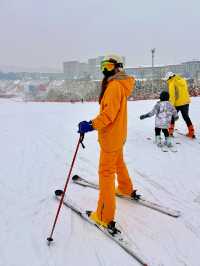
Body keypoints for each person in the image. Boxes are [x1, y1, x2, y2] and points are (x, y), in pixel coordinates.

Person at [78, 54, 138, 229]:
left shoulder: (113, 87)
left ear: (117, 67)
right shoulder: (119, 85)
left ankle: (104, 215)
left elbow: (108, 115)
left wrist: (90, 125)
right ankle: (126, 188)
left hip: (111, 137)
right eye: (103, 65)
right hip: (118, 135)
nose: (105, 69)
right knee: (118, 162)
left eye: (109, 66)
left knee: (106, 173)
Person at [165, 72, 195, 138]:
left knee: (172, 117)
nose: (167, 81)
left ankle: (170, 132)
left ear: (169, 78)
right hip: (186, 102)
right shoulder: (183, 80)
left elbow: (172, 96)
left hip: (177, 103)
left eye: (167, 79)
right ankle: (191, 132)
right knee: (186, 117)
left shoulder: (172, 83)